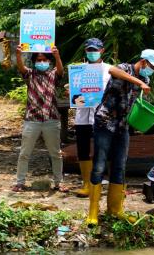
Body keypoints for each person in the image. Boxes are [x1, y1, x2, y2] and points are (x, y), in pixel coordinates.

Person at [86, 49, 154, 226]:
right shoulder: (125, 68)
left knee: (120, 166)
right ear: (143, 62)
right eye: (151, 66)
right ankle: (93, 213)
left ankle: (115, 209)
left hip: (123, 126)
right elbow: (112, 70)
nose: (151, 70)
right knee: (99, 166)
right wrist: (138, 81)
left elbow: (137, 104)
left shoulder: (146, 79)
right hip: (104, 122)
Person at [12, 45, 67, 192]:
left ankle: (59, 182)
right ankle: (20, 182)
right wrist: (18, 55)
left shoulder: (54, 75)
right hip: (32, 120)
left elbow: (61, 71)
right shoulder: (30, 74)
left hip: (51, 119)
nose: (41, 62)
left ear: (49, 61)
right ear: (34, 61)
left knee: (56, 154)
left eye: (44, 59)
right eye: (38, 59)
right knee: (24, 153)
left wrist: (57, 56)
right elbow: (21, 68)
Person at [72, 38, 115, 197]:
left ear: (102, 50)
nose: (92, 53)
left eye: (95, 50)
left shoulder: (110, 70)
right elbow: (76, 97)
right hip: (82, 116)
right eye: (89, 50)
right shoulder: (78, 71)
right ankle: (86, 184)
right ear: (85, 51)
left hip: (103, 116)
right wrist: (72, 94)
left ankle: (115, 185)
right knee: (83, 150)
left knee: (106, 150)